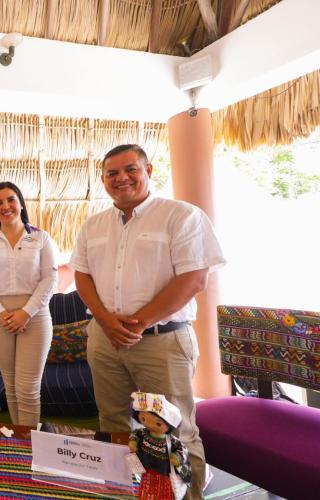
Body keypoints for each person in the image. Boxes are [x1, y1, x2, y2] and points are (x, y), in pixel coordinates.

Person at [70, 144, 225, 500]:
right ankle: (125, 493)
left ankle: (189, 496)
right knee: (111, 424)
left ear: (149, 170)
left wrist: (138, 323)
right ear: (104, 179)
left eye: (130, 170)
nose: (121, 178)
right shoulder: (94, 225)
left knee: (175, 430)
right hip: (104, 340)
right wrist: (108, 322)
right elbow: (82, 277)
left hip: (161, 342)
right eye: (112, 173)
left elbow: (193, 279)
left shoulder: (181, 216)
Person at [0, 181, 56, 426]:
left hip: (36, 316)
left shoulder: (41, 237)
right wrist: (1, 314)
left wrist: (26, 313)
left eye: (10, 199)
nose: (5, 206)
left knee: (28, 388)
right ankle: (19, 447)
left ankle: (32, 446)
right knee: (10, 385)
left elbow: (49, 278)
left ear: (20, 203)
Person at [128, 391, 191, 500]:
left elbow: (183, 449)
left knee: (164, 495)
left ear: (169, 425)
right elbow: (134, 436)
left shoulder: (172, 441)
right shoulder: (141, 433)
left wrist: (177, 457)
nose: (149, 424)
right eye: (143, 419)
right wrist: (133, 442)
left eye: (158, 423)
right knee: (144, 493)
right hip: (145, 473)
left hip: (164, 475)